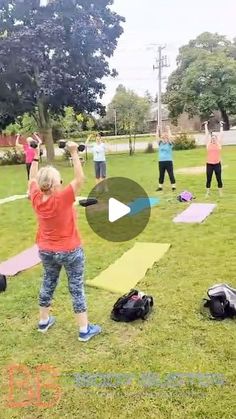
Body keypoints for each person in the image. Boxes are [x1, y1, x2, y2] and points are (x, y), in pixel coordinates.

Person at [28, 141, 101, 342]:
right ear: (54, 184)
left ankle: (43, 321)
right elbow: (80, 178)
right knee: (76, 287)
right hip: (69, 250)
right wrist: (74, 152)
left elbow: (32, 177)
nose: (62, 181)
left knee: (48, 281)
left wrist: (35, 154)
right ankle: (84, 330)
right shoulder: (62, 197)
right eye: (59, 180)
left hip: (46, 249)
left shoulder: (35, 197)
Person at [204, 121, 224, 197]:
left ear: (216, 139)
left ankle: (220, 192)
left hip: (217, 164)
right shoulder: (208, 144)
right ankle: (207, 192)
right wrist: (206, 125)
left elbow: (221, 135)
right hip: (209, 164)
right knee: (208, 179)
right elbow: (206, 135)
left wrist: (221, 125)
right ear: (211, 139)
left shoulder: (219, 144)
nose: (213, 139)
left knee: (219, 178)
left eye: (214, 138)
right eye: (212, 138)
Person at [156, 125, 176, 192]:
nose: (164, 138)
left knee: (171, 174)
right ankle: (160, 187)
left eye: (165, 137)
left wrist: (168, 129)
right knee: (161, 174)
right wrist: (157, 129)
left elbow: (171, 138)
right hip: (161, 161)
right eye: (163, 137)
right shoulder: (160, 143)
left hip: (168, 161)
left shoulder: (169, 144)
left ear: (167, 138)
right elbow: (156, 137)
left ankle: (173, 187)